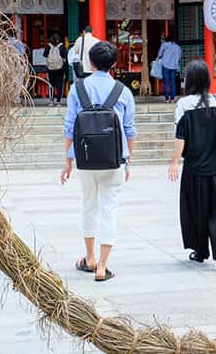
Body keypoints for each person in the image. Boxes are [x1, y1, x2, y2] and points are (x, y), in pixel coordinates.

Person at [60, 41, 136, 282]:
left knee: (88, 206)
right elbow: (130, 130)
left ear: (90, 63)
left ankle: (90, 258)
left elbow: (69, 126)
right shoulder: (123, 91)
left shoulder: (78, 89)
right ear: (113, 64)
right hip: (115, 158)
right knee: (109, 208)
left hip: (85, 159)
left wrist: (68, 161)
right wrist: (128, 161)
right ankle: (103, 266)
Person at [168, 59, 216, 272]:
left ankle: (200, 250)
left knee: (196, 210)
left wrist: (174, 162)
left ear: (190, 80)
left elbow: (181, 137)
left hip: (195, 168)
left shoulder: (184, 105)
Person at [156, 33, 182, 103]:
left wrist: (158, 58)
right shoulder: (178, 47)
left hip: (165, 65)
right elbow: (179, 57)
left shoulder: (164, 45)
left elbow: (159, 54)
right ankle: (172, 99)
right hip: (174, 66)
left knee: (166, 82)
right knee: (173, 82)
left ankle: (167, 99)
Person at [44, 32, 66, 106]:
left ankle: (51, 101)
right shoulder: (61, 46)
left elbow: (45, 56)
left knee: (51, 84)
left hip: (50, 69)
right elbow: (65, 58)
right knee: (59, 85)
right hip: (60, 69)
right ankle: (58, 101)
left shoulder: (48, 46)